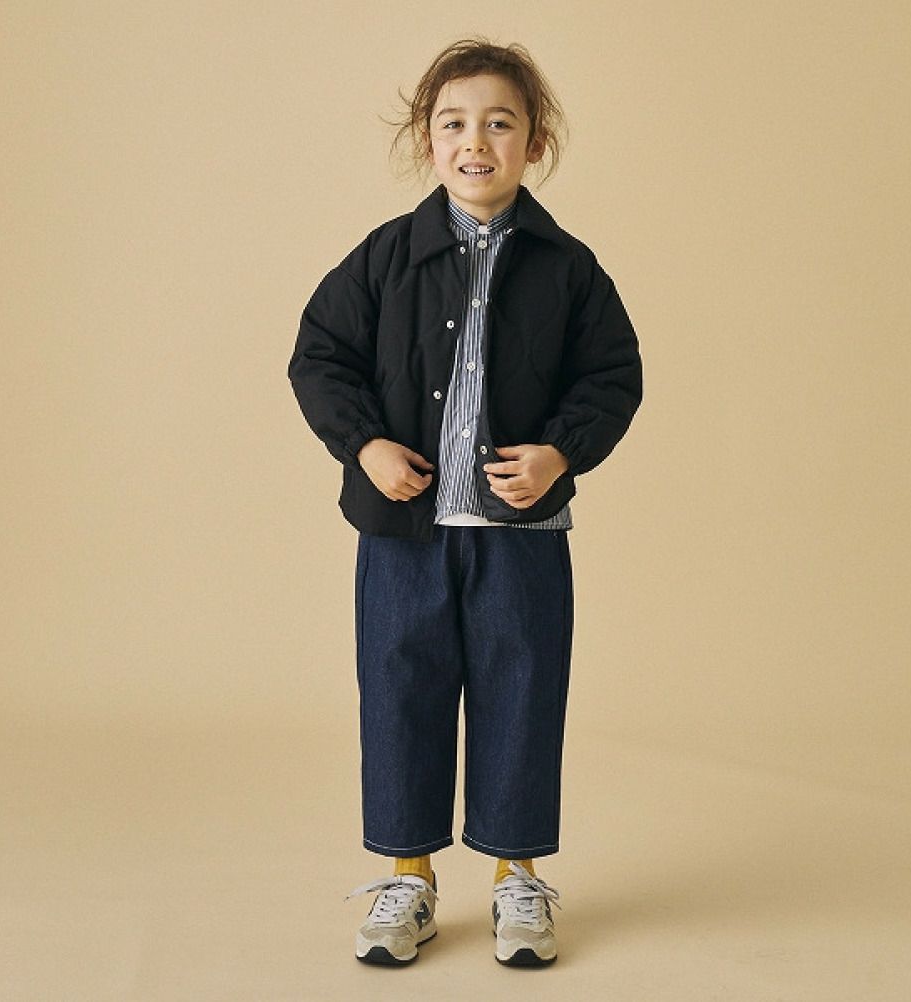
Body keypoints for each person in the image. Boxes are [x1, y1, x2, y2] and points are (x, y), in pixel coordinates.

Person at [288, 37, 643, 968]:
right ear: (428, 140)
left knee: (522, 693)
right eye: (454, 123)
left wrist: (560, 452)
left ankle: (517, 878)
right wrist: (365, 445)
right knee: (399, 691)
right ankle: (407, 878)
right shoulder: (386, 256)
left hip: (522, 534)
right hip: (403, 531)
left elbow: (613, 374)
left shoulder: (568, 267)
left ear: (535, 143)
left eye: (499, 123)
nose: (475, 141)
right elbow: (320, 354)